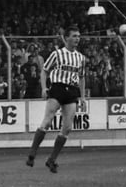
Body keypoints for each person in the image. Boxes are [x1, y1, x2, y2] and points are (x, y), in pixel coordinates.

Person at [26, 26, 86, 173]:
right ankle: (32, 154)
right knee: (47, 120)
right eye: (74, 36)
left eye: (78, 36)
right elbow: (45, 71)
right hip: (58, 88)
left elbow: (82, 77)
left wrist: (83, 96)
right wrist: (44, 88)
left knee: (67, 128)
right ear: (67, 38)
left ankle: (52, 159)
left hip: (72, 91)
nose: (77, 38)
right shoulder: (57, 54)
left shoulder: (81, 58)